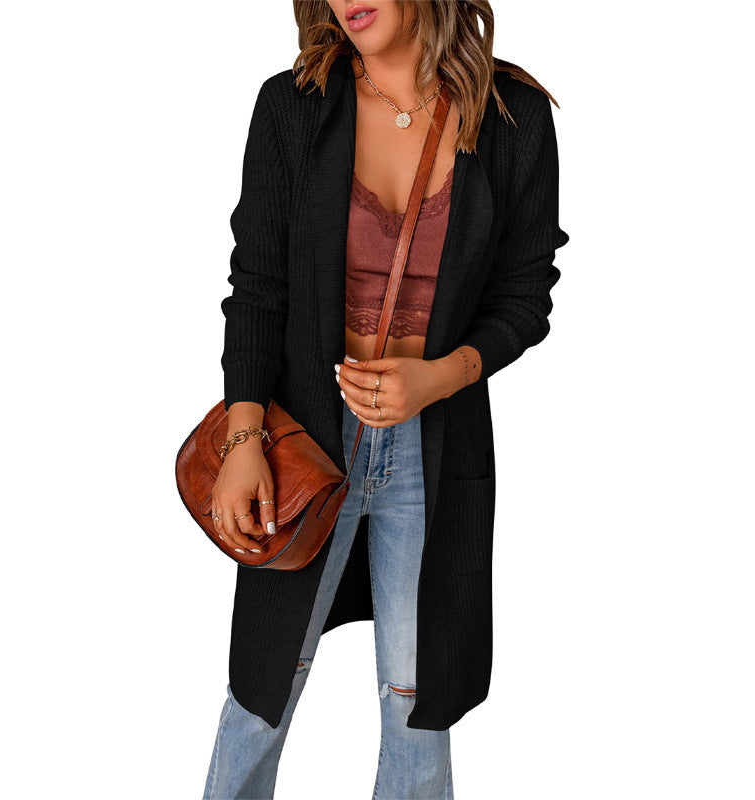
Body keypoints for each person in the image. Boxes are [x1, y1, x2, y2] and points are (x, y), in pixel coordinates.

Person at [201, 1, 569, 798]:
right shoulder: (294, 106)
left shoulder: (513, 118)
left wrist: (439, 377)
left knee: (416, 697)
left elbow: (524, 294)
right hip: (304, 440)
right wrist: (243, 437)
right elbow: (257, 283)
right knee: (263, 689)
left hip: (432, 450)